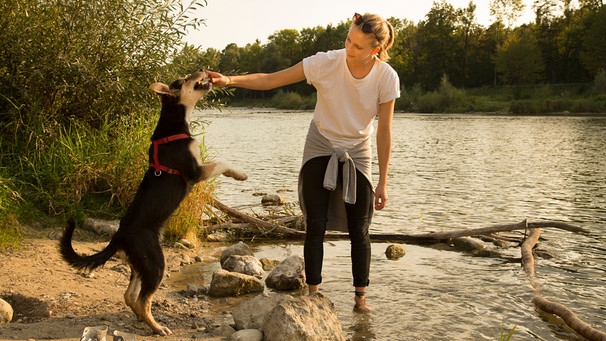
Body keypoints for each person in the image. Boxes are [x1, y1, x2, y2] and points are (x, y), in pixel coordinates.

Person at [207, 12, 399, 313]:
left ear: (375, 49)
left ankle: (360, 299)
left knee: (360, 227)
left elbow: (384, 131)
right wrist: (229, 79)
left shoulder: (386, 77)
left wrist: (384, 182)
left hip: (358, 151)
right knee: (315, 224)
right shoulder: (325, 62)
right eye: (349, 40)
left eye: (359, 47)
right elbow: (272, 79)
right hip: (320, 143)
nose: (350, 48)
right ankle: (313, 295)